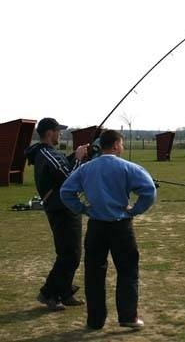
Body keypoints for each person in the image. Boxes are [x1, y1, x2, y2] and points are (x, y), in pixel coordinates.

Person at [60, 129, 156, 329]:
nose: (122, 147)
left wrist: (83, 209)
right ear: (115, 145)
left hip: (96, 227)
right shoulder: (129, 168)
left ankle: (95, 321)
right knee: (128, 271)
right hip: (121, 226)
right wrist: (134, 211)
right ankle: (128, 317)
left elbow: (66, 191)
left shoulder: (85, 169)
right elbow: (148, 191)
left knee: (94, 274)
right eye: (121, 144)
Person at [25, 118, 88, 311]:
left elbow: (62, 171)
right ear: (50, 132)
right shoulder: (46, 153)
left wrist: (76, 157)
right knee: (69, 254)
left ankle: (65, 293)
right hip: (61, 208)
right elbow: (70, 180)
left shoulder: (48, 154)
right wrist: (77, 158)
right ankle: (48, 293)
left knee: (72, 253)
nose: (60, 134)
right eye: (58, 131)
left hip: (64, 207)